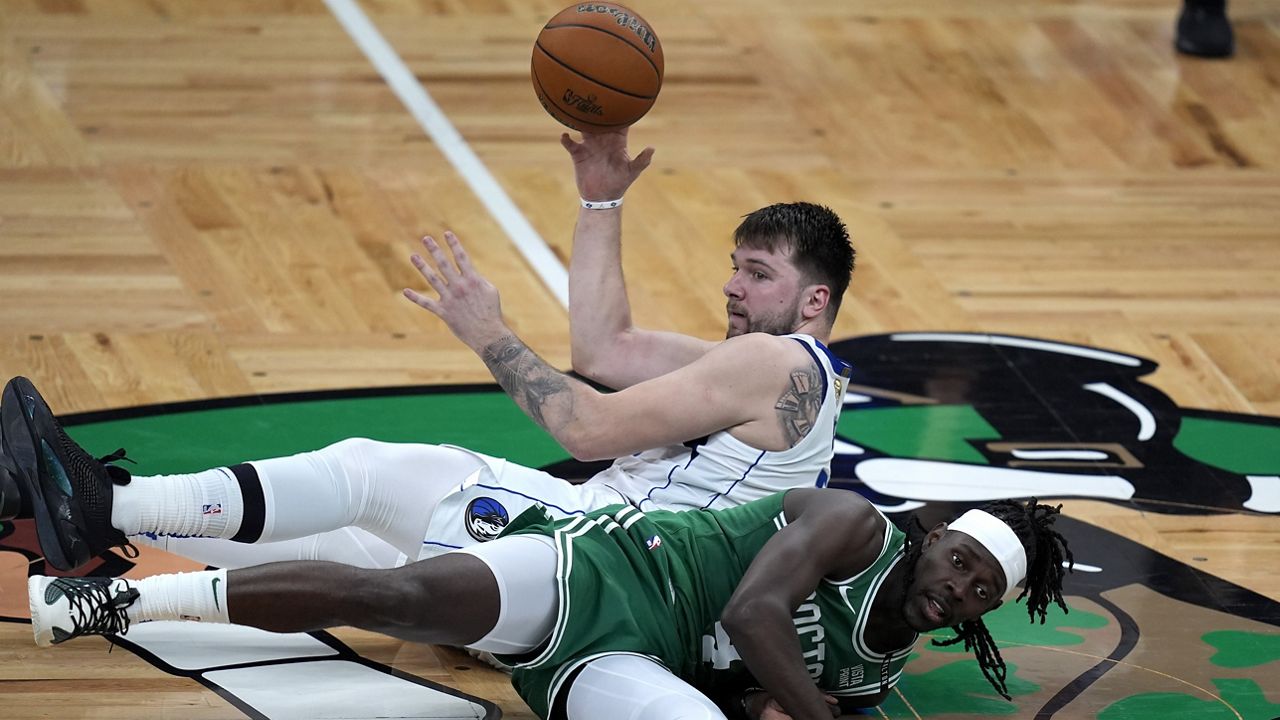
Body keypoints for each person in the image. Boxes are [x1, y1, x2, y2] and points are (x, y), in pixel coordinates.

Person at [0, 129, 856, 575]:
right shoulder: (772, 376)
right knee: (344, 547)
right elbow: (605, 346)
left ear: (815, 301)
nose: (732, 289)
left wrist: (485, 330)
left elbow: (588, 431)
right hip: (622, 556)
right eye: (733, 268)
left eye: (757, 274)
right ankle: (86, 530)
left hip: (614, 552)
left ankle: (101, 504)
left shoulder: (780, 366)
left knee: (377, 472)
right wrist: (600, 205)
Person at [27, 488, 1073, 720]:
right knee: (386, 596)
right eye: (959, 562)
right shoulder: (855, 528)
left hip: (632, 665)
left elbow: (769, 696)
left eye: (980, 591)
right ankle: (120, 600)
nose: (957, 588)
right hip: (608, 569)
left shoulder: (879, 669)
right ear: (934, 536)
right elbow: (758, 616)